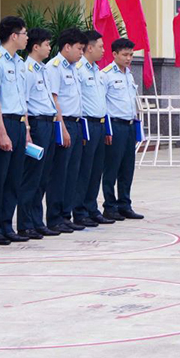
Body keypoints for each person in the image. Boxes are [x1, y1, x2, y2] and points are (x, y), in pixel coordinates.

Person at [0, 16, 31, 245]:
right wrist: (1, 132)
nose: (27, 37)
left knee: (14, 178)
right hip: (3, 122)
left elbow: (22, 98)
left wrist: (27, 129)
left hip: (19, 123)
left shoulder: (19, 63)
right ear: (13, 36)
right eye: (24, 33)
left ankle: (6, 224)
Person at [17, 27, 60, 239]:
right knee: (31, 177)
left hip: (48, 124)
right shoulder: (27, 70)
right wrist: (26, 129)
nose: (49, 48)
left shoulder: (43, 69)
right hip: (35, 124)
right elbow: (23, 102)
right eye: (47, 44)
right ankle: (25, 223)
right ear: (36, 46)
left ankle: (36, 220)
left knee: (43, 176)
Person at [45, 28, 87, 233]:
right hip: (64, 123)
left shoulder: (74, 68)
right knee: (59, 173)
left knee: (72, 172)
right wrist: (62, 127)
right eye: (79, 48)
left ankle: (65, 214)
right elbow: (54, 99)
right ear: (67, 47)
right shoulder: (54, 67)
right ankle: (54, 217)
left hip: (77, 123)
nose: (81, 53)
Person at [73, 30, 114, 227]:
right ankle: (79, 210)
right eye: (100, 47)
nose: (103, 50)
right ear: (89, 48)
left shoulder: (98, 71)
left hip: (99, 124)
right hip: (86, 123)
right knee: (84, 170)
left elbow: (102, 101)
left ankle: (91, 208)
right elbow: (77, 100)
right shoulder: (79, 69)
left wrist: (107, 128)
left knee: (96, 169)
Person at [102, 38, 144, 222]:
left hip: (128, 125)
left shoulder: (129, 74)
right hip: (115, 124)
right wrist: (106, 130)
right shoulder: (106, 75)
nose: (128, 58)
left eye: (131, 55)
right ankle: (109, 206)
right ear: (115, 55)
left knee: (127, 167)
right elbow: (102, 104)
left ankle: (124, 204)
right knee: (112, 167)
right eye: (125, 55)